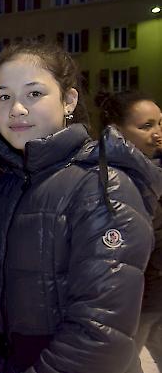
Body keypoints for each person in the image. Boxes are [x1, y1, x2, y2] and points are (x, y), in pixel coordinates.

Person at [0, 42, 161, 373]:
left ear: (69, 100)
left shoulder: (102, 186)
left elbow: (100, 333)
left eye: (34, 94)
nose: (16, 109)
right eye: (3, 96)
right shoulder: (7, 180)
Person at [95, 90, 162, 369]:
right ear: (118, 131)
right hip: (137, 299)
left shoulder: (154, 169)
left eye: (160, 122)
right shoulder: (114, 179)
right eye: (146, 126)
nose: (158, 132)